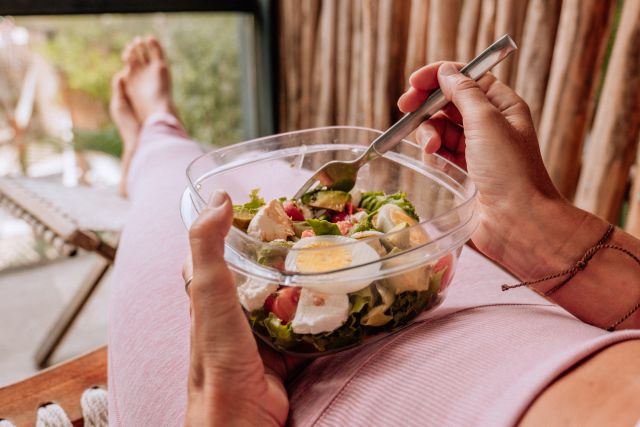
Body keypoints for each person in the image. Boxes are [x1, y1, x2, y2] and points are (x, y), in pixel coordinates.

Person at [108, 36, 640, 426]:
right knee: (269, 184)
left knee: (167, 198)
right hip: (513, 317)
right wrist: (537, 227)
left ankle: (155, 139)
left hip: (301, 394)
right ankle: (159, 136)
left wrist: (223, 409)